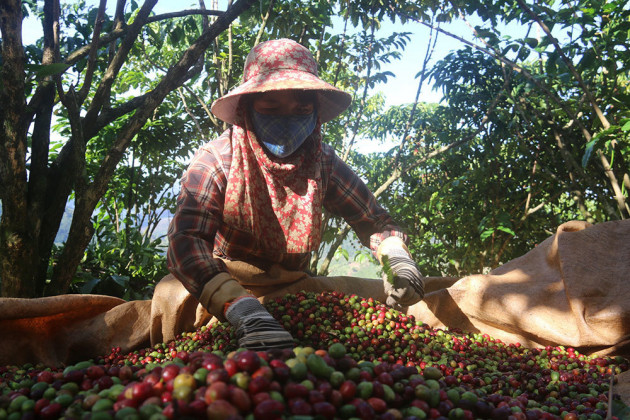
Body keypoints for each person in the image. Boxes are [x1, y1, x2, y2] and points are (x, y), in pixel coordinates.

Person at [167, 38, 424, 351]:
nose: (287, 121)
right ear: (247, 109)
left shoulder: (322, 162)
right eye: (271, 109)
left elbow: (373, 220)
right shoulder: (218, 161)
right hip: (222, 290)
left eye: (301, 110)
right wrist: (242, 309)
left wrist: (395, 259)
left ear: (314, 113)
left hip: (292, 289)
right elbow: (186, 243)